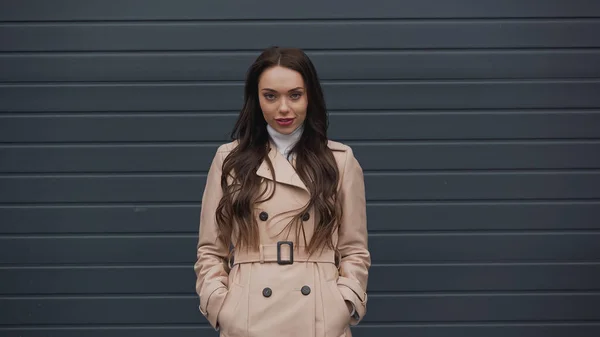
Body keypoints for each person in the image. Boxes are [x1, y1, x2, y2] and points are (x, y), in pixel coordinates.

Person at [194, 46, 370, 337]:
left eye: (295, 95)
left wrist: (344, 303)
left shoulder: (339, 160)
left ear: (309, 96)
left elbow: (354, 249)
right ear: (257, 99)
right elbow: (211, 250)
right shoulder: (230, 160)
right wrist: (222, 306)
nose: (284, 108)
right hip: (248, 317)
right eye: (271, 96)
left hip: (318, 317)